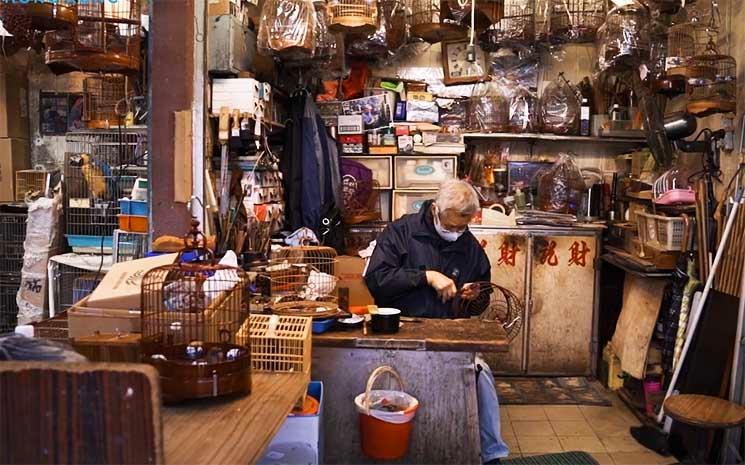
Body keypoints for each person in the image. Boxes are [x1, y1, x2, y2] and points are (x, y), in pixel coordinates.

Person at [364, 179, 509, 464]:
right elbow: (376, 279)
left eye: (462, 227)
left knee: (481, 376)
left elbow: (482, 299)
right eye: (451, 225)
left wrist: (474, 296)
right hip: (401, 332)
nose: (456, 232)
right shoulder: (400, 232)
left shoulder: (468, 246)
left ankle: (492, 455)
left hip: (449, 337)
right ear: (435, 209)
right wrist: (425, 276)